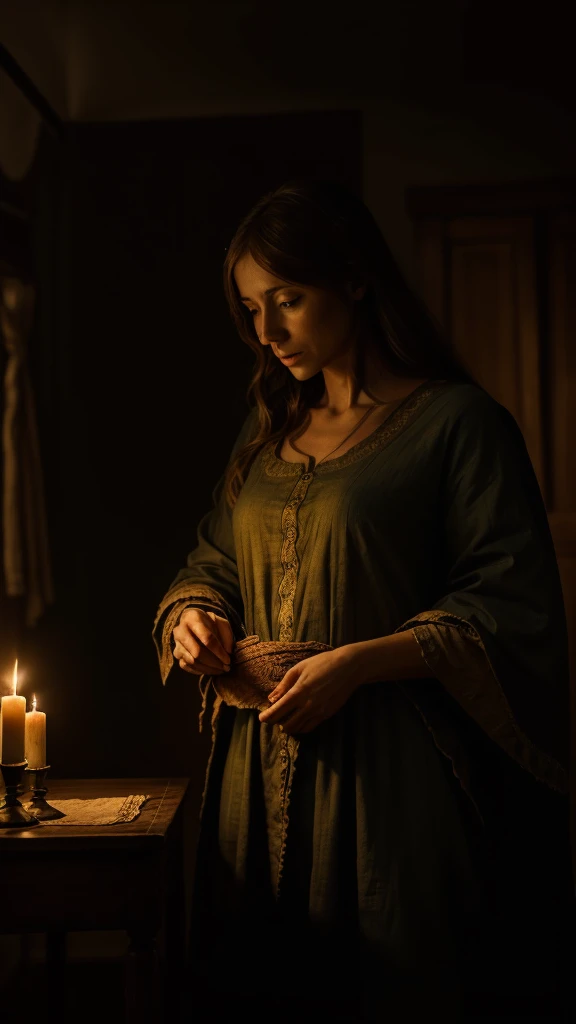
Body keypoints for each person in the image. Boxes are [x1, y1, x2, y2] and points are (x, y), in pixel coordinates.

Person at [153, 179, 575, 1022]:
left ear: (352, 277)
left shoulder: (456, 424)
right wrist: (194, 613)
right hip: (254, 768)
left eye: (288, 300)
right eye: (251, 310)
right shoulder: (267, 432)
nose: (268, 334)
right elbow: (214, 554)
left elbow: (511, 598)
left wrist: (358, 665)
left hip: (390, 777)